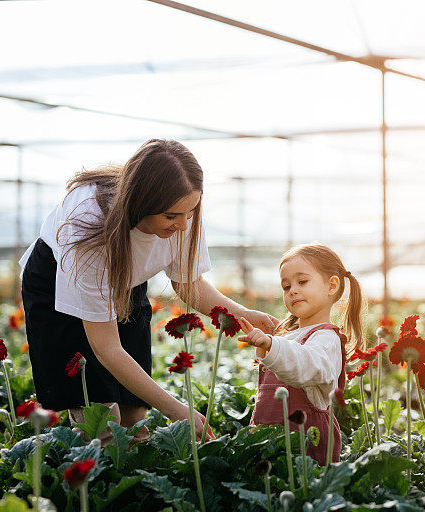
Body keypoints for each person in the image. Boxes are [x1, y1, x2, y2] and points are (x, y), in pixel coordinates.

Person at [19, 139, 278, 445]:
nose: (183, 225)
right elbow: (108, 349)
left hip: (122, 280)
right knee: (102, 420)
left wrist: (244, 315)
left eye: (190, 212)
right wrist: (178, 410)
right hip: (57, 287)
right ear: (139, 204)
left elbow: (188, 283)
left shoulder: (182, 210)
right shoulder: (88, 226)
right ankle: (95, 485)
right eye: (171, 216)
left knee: (133, 416)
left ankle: (136, 477)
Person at [238, 243, 365, 464]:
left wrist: (270, 344)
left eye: (302, 282)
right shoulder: (287, 337)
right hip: (270, 449)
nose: (293, 290)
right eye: (286, 287)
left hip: (307, 451)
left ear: (332, 286)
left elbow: (306, 367)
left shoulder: (327, 339)